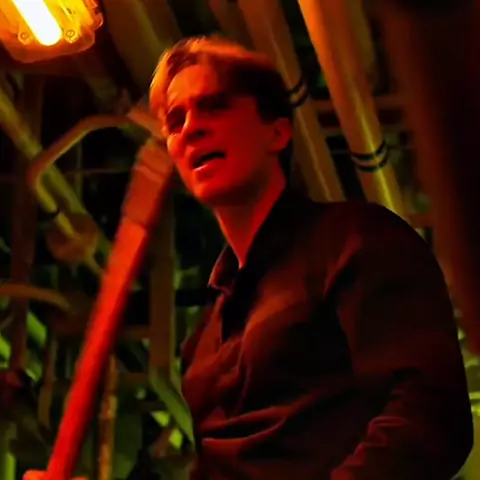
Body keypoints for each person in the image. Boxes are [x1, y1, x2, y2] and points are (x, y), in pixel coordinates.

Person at [149, 36, 473, 479]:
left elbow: (429, 415)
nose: (190, 128)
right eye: (175, 120)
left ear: (277, 133)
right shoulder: (202, 344)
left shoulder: (356, 241)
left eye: (215, 106)